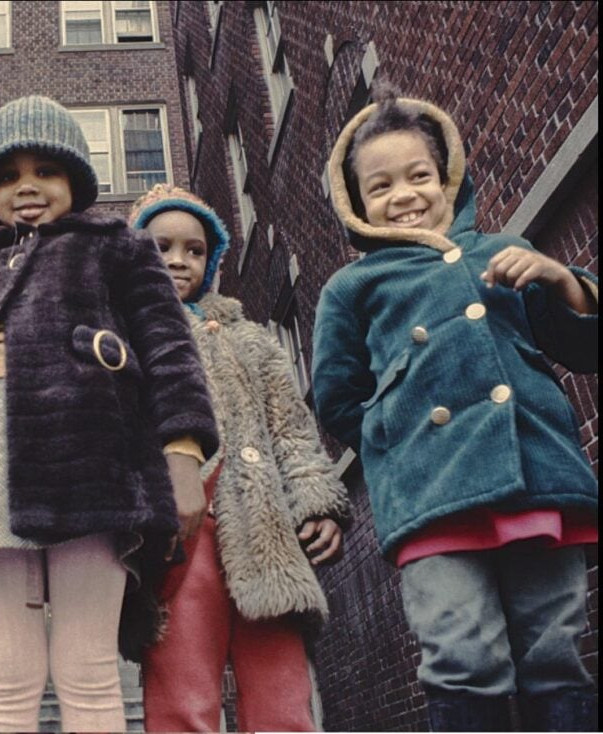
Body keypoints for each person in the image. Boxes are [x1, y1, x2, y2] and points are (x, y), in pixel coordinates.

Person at [0, 95, 218, 732]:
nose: (26, 188)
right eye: (7, 176)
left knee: (87, 666)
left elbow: (173, 356)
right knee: (6, 671)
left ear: (77, 181)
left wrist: (183, 457)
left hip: (95, 473)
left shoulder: (120, 249)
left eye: (45, 171)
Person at [312, 81, 598, 732]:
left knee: (554, 652)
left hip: (536, 480)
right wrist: (408, 448)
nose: (404, 195)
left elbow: (584, 347)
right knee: (464, 655)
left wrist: (563, 280)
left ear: (449, 178)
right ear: (356, 204)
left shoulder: (503, 251)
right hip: (431, 499)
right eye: (380, 187)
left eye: (419, 175)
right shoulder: (352, 288)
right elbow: (339, 397)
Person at [130, 184, 350, 732]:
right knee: (182, 694)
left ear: (212, 261)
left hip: (267, 532)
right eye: (160, 247)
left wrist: (317, 505)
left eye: (194, 249)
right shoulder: (125, 339)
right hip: (180, 537)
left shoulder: (251, 340)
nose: (178, 260)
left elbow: (293, 434)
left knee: (282, 695)